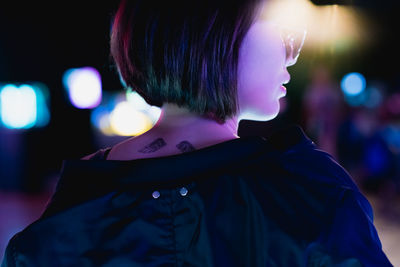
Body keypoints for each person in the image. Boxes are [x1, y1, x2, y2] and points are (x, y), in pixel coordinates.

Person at [1, 0, 393, 266]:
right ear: (211, 35)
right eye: (281, 32)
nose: (293, 55)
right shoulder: (312, 192)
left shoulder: (66, 215)